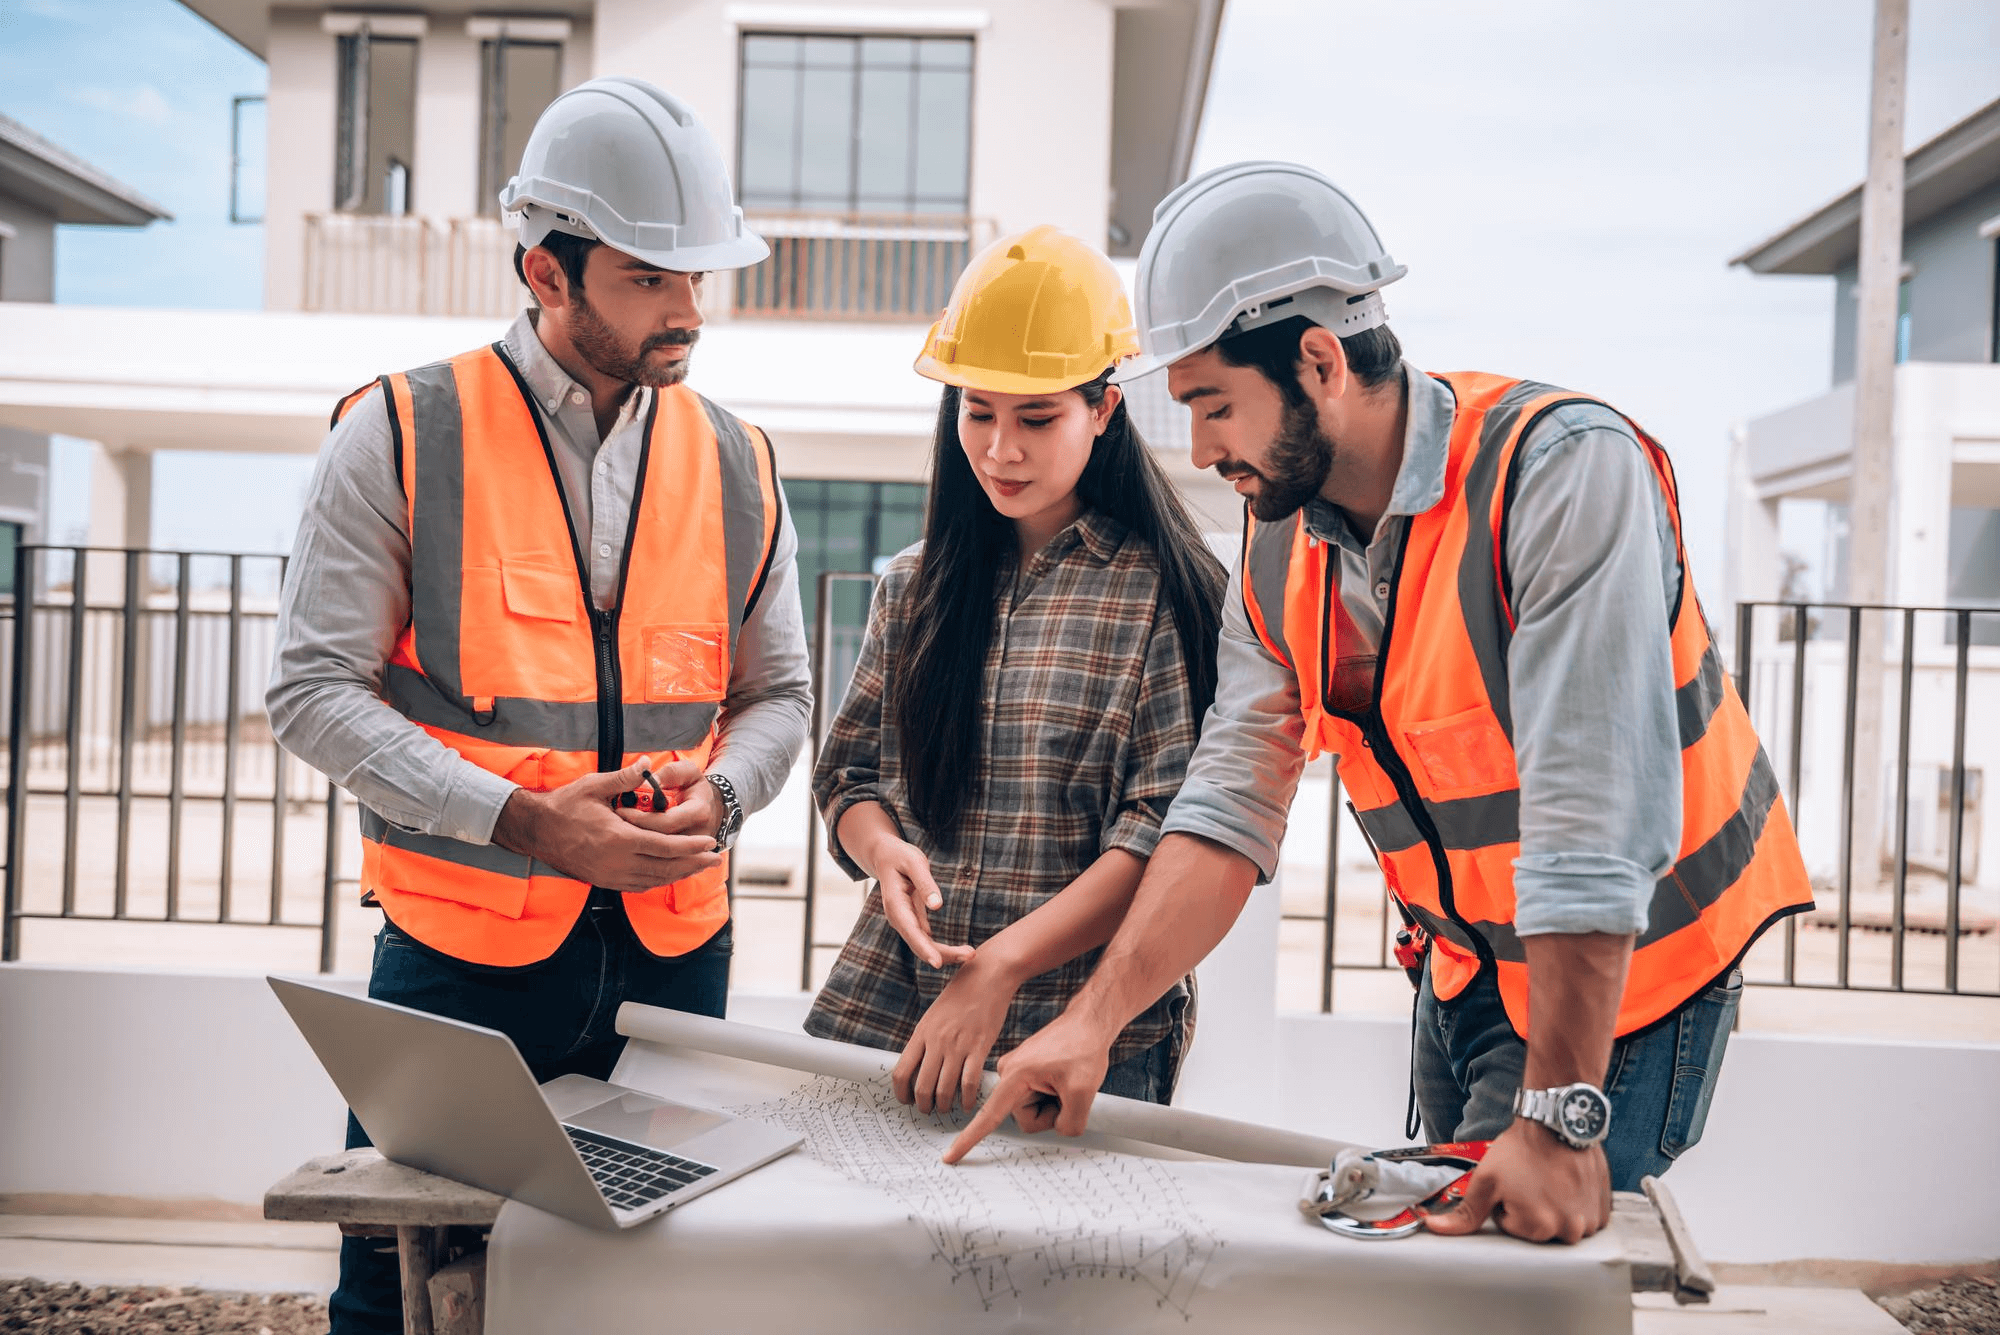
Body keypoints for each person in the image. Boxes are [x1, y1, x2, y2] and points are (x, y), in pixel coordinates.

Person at [946, 163, 1814, 1246]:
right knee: (1446, 1277)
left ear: (1318, 361)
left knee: (1521, 1278)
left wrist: (1554, 1117)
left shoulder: (1558, 473)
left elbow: (1587, 817)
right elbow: (1225, 805)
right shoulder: (1279, 536)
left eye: (1215, 406)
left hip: (1628, 977)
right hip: (1463, 975)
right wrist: (1089, 1024)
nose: (1202, 451)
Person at [267, 78, 810, 1332]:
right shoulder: (400, 432)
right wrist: (528, 825)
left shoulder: (738, 458)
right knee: (401, 1289)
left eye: (695, 278)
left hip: (676, 955)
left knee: (638, 1291)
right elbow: (308, 693)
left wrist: (722, 795)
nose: (685, 311)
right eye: (647, 278)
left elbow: (781, 695)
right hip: (460, 963)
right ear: (546, 271)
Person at [803, 226, 1227, 1115]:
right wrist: (885, 854)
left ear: (1105, 410)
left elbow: (1158, 835)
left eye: (1037, 419)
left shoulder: (1167, 596)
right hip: (897, 1010)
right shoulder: (913, 586)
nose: (1000, 451)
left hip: (1078, 1035)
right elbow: (849, 776)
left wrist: (1001, 964)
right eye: (977, 412)